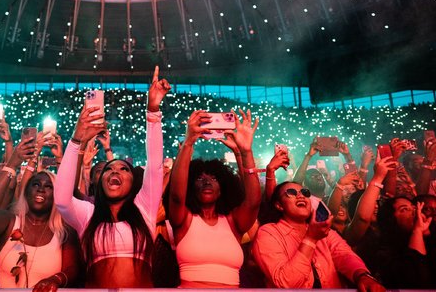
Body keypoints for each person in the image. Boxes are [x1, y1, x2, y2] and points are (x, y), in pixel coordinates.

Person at [54, 66, 170, 287]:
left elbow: (154, 165)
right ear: (100, 183)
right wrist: (76, 138)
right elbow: (61, 198)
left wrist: (153, 109)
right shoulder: (87, 216)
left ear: (134, 182)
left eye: (123, 169)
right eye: (108, 169)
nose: (115, 171)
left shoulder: (145, 209)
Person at [169, 109, 261, 288]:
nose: (207, 182)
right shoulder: (184, 219)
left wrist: (246, 152)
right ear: (191, 186)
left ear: (224, 188)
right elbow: (176, 197)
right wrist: (188, 142)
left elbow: (253, 202)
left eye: (214, 178)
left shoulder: (233, 222)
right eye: (200, 178)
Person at [0, 135, 81, 290]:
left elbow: (73, 270)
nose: (41, 188)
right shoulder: (10, 222)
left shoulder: (63, 230)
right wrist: (13, 162)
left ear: (57, 195)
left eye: (49, 186)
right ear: (26, 192)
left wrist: (56, 280)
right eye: (35, 184)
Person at [252, 181, 385, 291]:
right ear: (279, 205)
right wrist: (310, 239)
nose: (301, 196)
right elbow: (286, 283)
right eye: (292, 193)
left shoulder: (323, 230)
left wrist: (362, 276)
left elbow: (344, 254)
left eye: (305, 193)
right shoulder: (269, 232)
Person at [374, 196, 434, 288]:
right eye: (404, 209)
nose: (415, 211)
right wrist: (417, 230)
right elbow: (417, 281)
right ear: (391, 221)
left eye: (414, 207)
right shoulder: (386, 253)